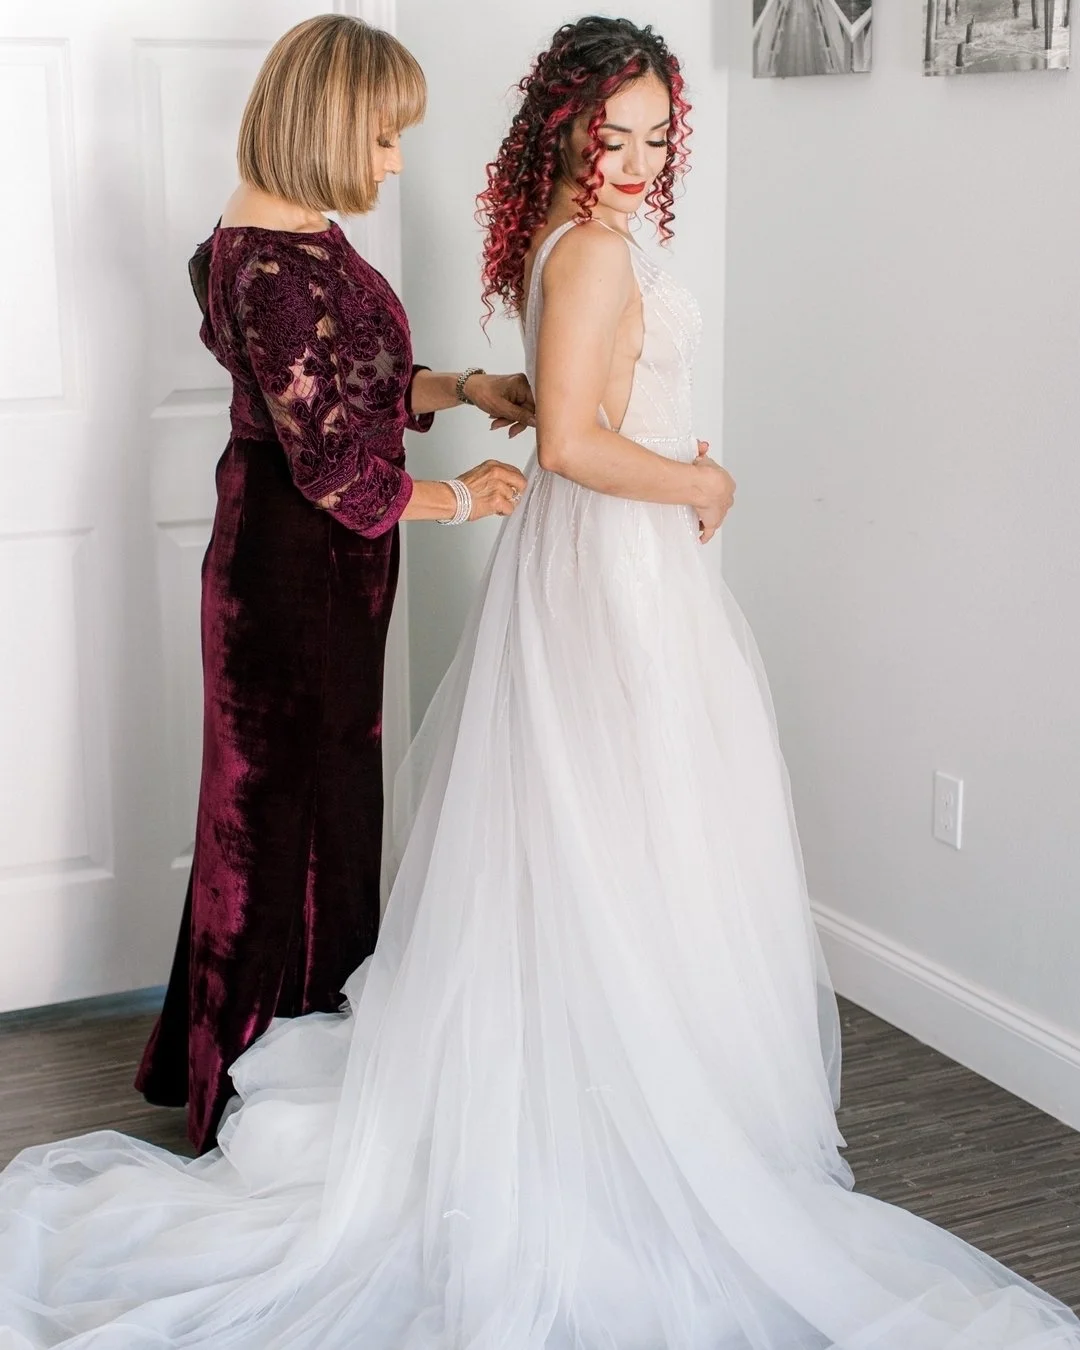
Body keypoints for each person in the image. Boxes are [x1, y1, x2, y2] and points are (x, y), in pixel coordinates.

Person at [1, 16, 1079, 1350]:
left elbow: (365, 383)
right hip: (419, 570)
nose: (633, 162)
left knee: (542, 831)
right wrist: (695, 477)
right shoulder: (443, 255)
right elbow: (505, 445)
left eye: (656, 141)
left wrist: (456, 387)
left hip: (510, 570)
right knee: (398, 829)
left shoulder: (401, 243)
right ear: (562, 131)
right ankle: (347, 1086)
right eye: (610, 135)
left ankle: (570, 1066)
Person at [133, 13, 531, 1155]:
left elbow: (352, 382)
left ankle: (275, 1055)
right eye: (385, 137)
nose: (398, 161)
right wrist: (469, 498)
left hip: (321, 571)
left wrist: (462, 387)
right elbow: (335, 467)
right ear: (324, 123)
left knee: (316, 817)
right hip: (290, 574)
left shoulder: (294, 229)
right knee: (277, 829)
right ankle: (251, 1091)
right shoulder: (267, 262)